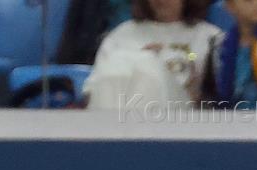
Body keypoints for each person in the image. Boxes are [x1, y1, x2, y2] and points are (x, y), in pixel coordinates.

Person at [84, 0, 221, 109]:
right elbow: (93, 88)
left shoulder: (208, 35)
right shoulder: (122, 34)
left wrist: (184, 60)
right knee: (124, 61)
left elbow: (215, 95)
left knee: (147, 64)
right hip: (117, 106)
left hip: (181, 112)